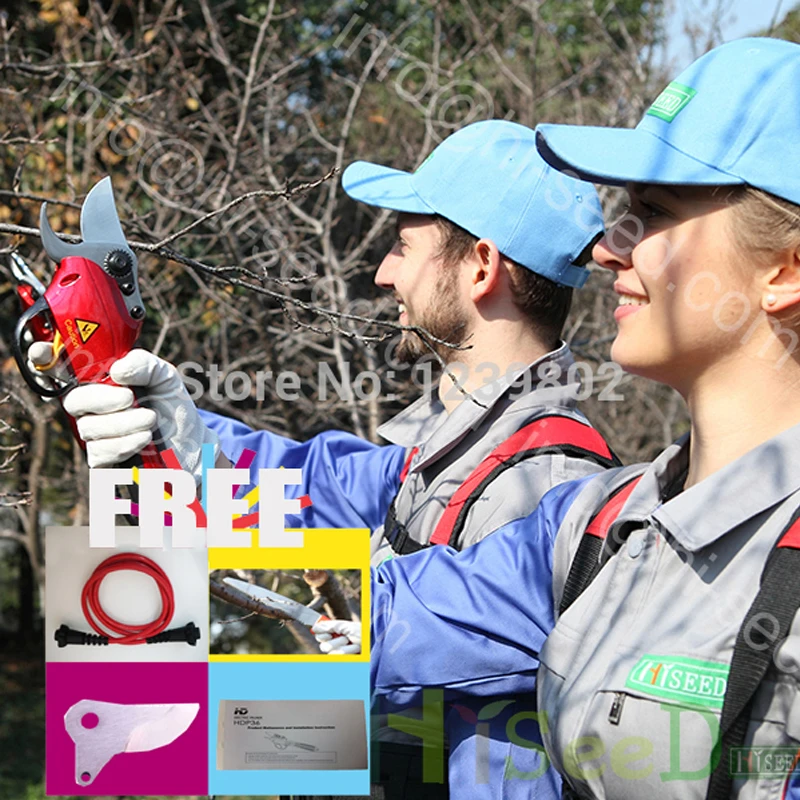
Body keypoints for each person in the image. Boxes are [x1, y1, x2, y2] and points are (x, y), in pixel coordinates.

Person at [42, 120, 615, 798]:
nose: (384, 273)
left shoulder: (543, 483)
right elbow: (308, 490)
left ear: (482, 267)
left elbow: (421, 725)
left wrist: (144, 735)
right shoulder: (453, 450)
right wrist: (171, 432)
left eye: (403, 246)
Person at [367, 36, 800, 799]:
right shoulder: (591, 526)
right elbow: (363, 629)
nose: (607, 249)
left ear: (785, 271)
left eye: (653, 212)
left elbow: (466, 759)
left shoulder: (545, 479)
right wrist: (151, 719)